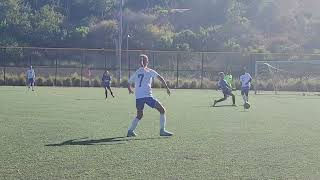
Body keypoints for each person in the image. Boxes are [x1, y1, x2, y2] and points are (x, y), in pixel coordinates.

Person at [127, 54, 173, 137]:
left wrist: (130, 89)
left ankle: (130, 131)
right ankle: (162, 131)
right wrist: (167, 88)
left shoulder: (137, 72)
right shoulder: (149, 71)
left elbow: (129, 82)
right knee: (162, 110)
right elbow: (161, 78)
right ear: (147, 62)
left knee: (139, 115)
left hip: (138, 98)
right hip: (147, 97)